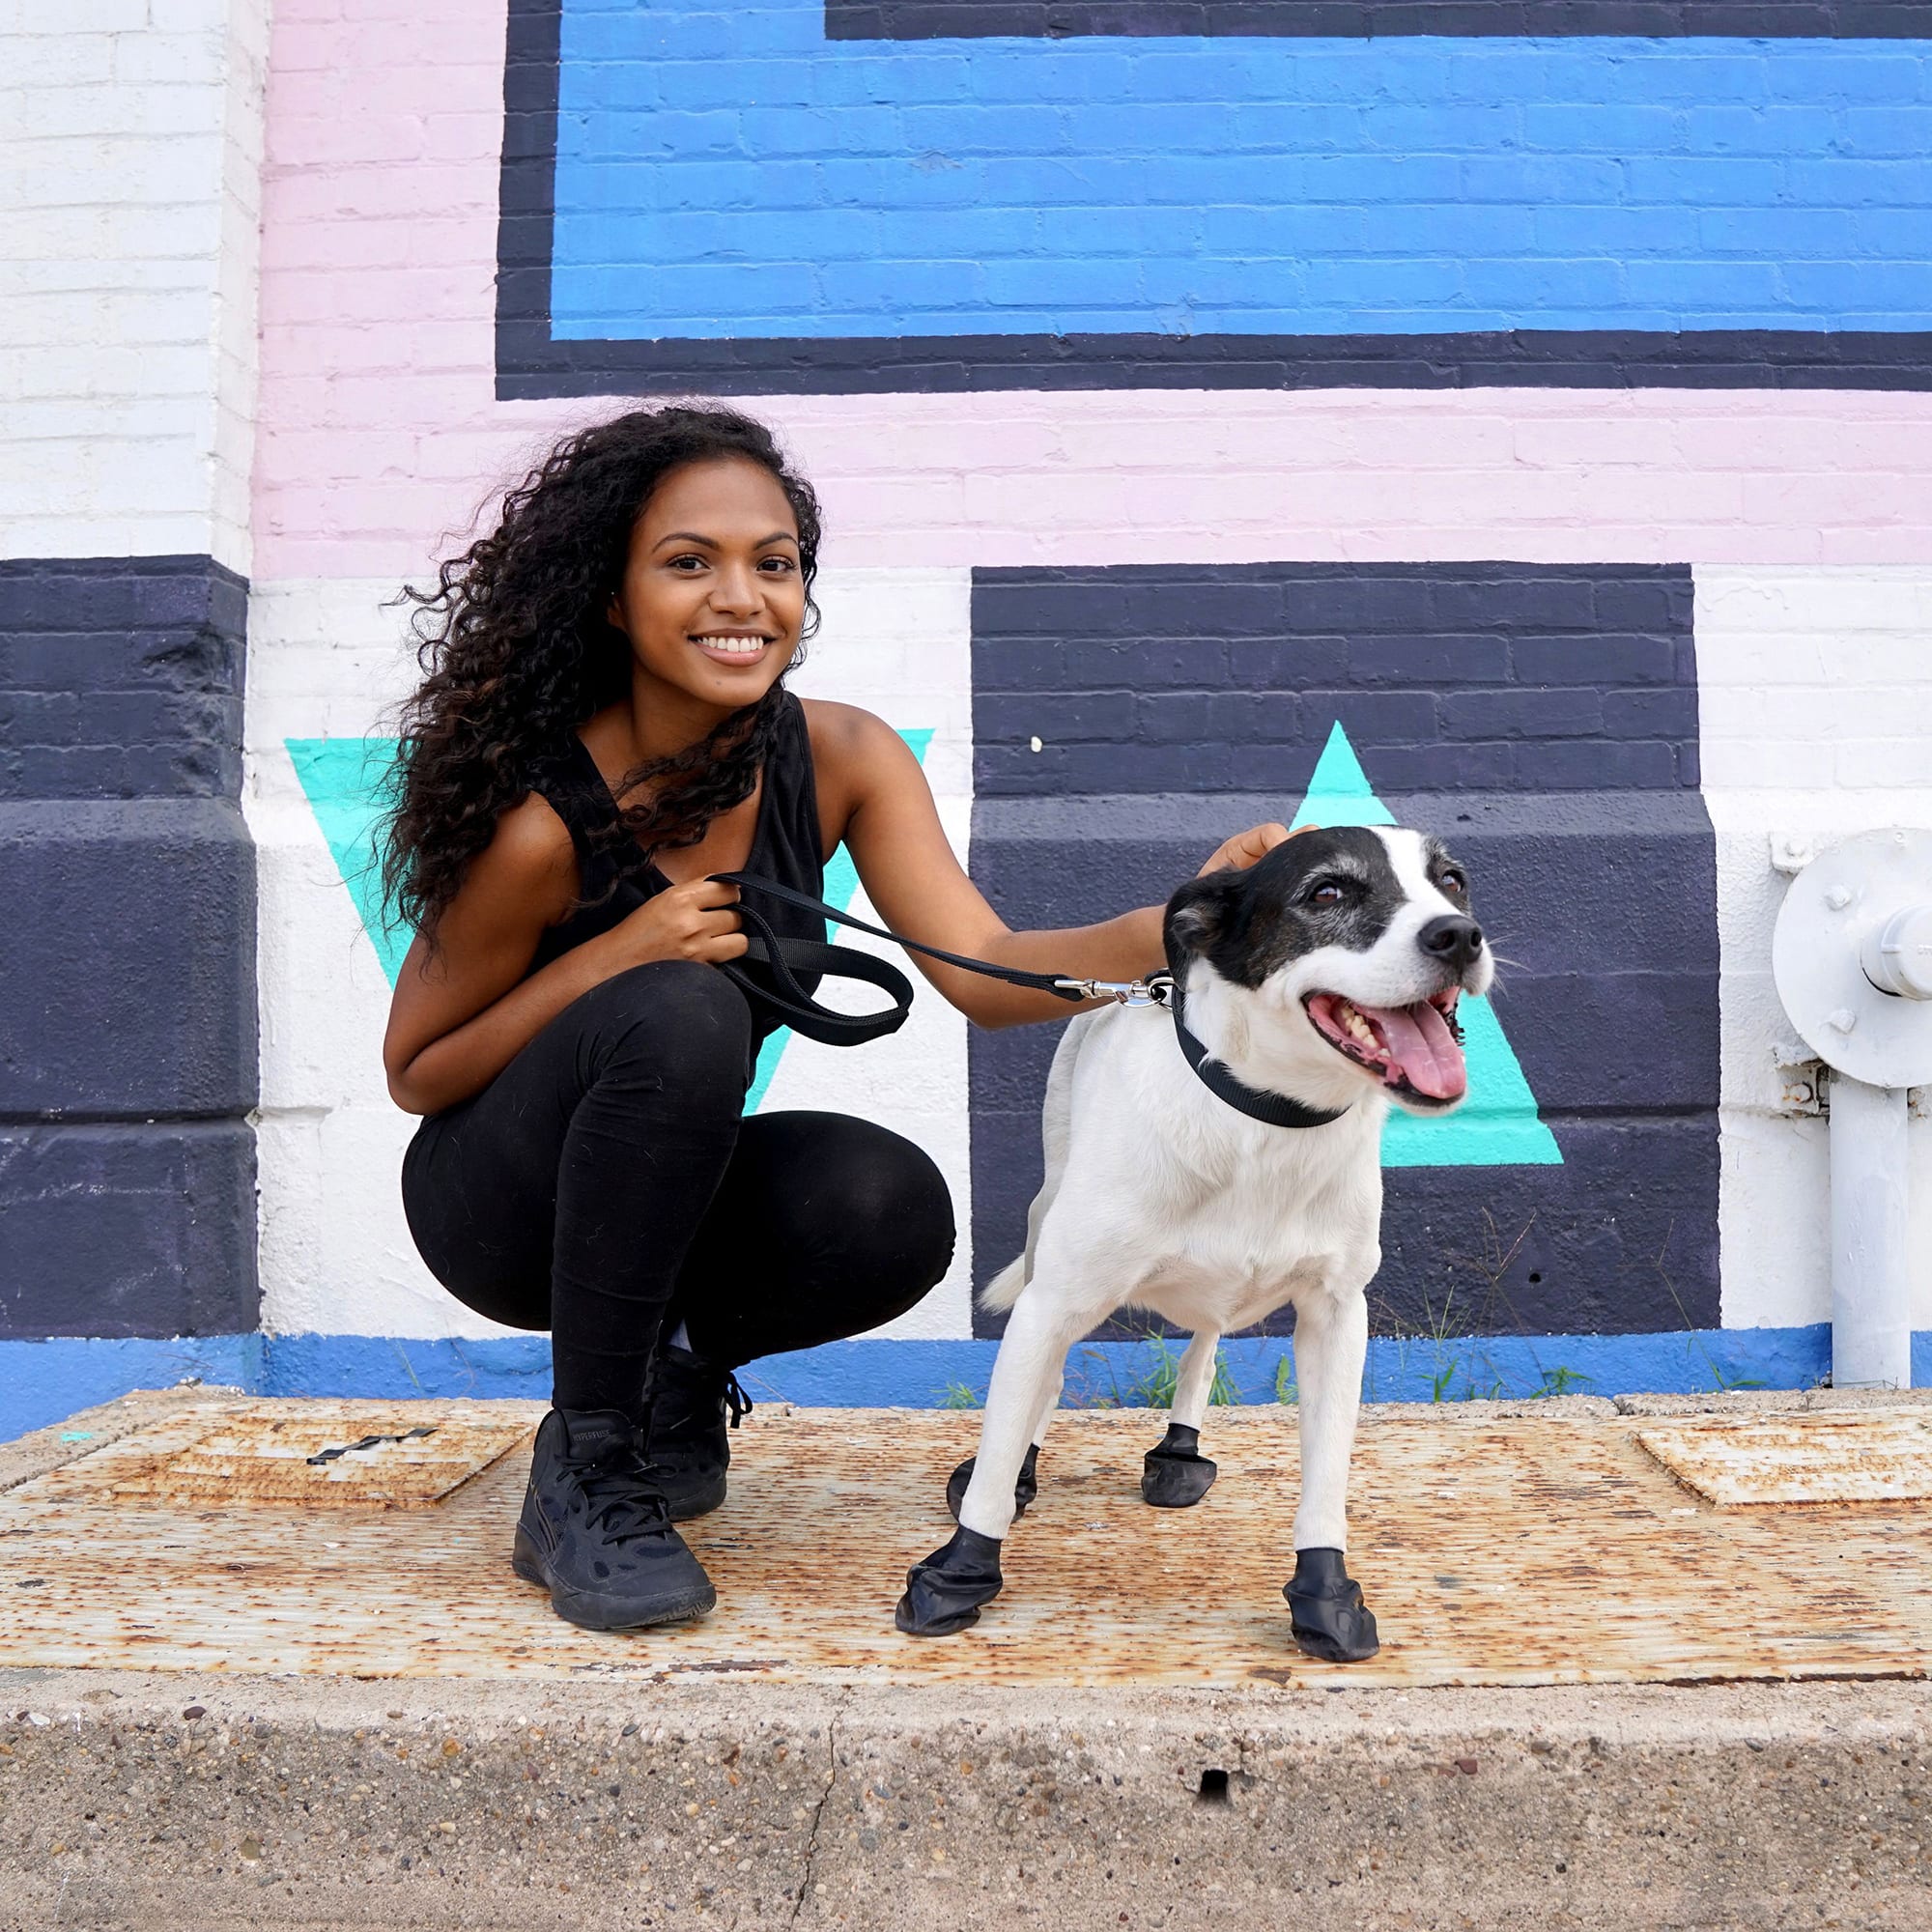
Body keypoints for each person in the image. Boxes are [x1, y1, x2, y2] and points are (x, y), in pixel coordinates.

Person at [380, 405, 1293, 1633]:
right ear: (610, 596)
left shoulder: (844, 754)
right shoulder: (546, 815)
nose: (741, 596)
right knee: (681, 1008)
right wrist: (616, 955)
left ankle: (670, 1376)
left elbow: (982, 969)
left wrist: (1189, 922)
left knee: (885, 1203)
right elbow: (418, 1070)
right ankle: (587, 1464)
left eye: (775, 561)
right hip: (496, 1203)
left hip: (657, 1187)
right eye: (688, 561)